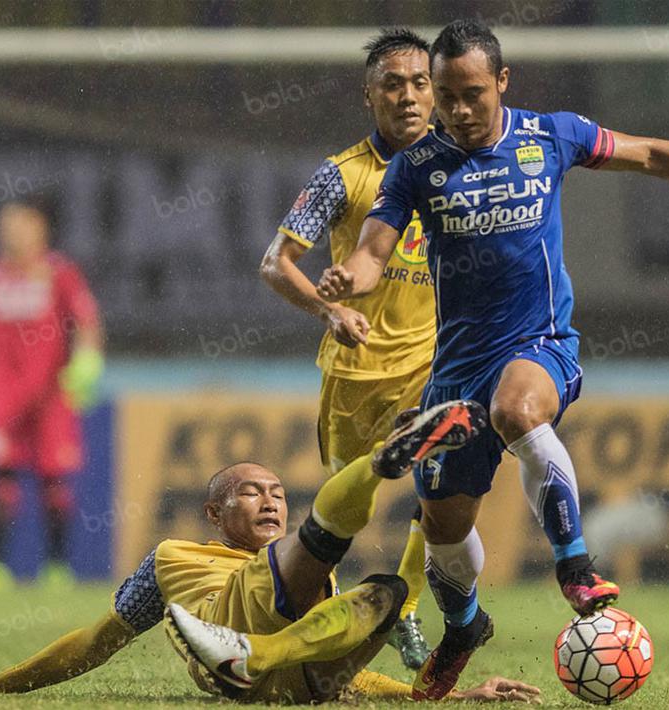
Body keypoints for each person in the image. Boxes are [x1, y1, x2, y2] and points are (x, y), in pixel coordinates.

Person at [317, 19, 669, 700]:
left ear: (502, 82)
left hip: (539, 342)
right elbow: (373, 252)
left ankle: (575, 568)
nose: (457, 110)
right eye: (445, 96)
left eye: (471, 94)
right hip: (454, 370)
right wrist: (348, 279)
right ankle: (464, 627)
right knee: (443, 533)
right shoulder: (416, 166)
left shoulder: (550, 135)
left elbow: (649, 154)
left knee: (516, 408)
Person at [0, 401, 540, 704]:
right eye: (251, 492)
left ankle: (396, 473)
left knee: (386, 592)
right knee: (317, 548)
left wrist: (453, 696)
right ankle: (384, 462)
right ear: (214, 514)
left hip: (294, 686)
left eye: (278, 493)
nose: (270, 501)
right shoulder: (173, 558)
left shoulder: (306, 580)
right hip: (233, 623)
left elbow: (348, 675)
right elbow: (97, 640)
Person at [259, 27, 437, 669]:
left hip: (434, 360)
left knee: (443, 484)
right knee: (342, 515)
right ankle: (318, 621)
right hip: (358, 370)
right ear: (370, 96)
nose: (408, 96)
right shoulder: (342, 175)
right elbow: (275, 263)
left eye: (420, 83)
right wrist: (328, 308)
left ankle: (406, 606)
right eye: (393, 84)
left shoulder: (462, 166)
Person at [0, 198, 105, 592]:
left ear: (41, 230)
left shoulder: (59, 273)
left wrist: (88, 359)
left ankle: (57, 568)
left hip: (51, 395)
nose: (13, 234)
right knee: (1, 475)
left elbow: (87, 321)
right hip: (3, 395)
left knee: (54, 478)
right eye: (7, 226)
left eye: (22, 226)